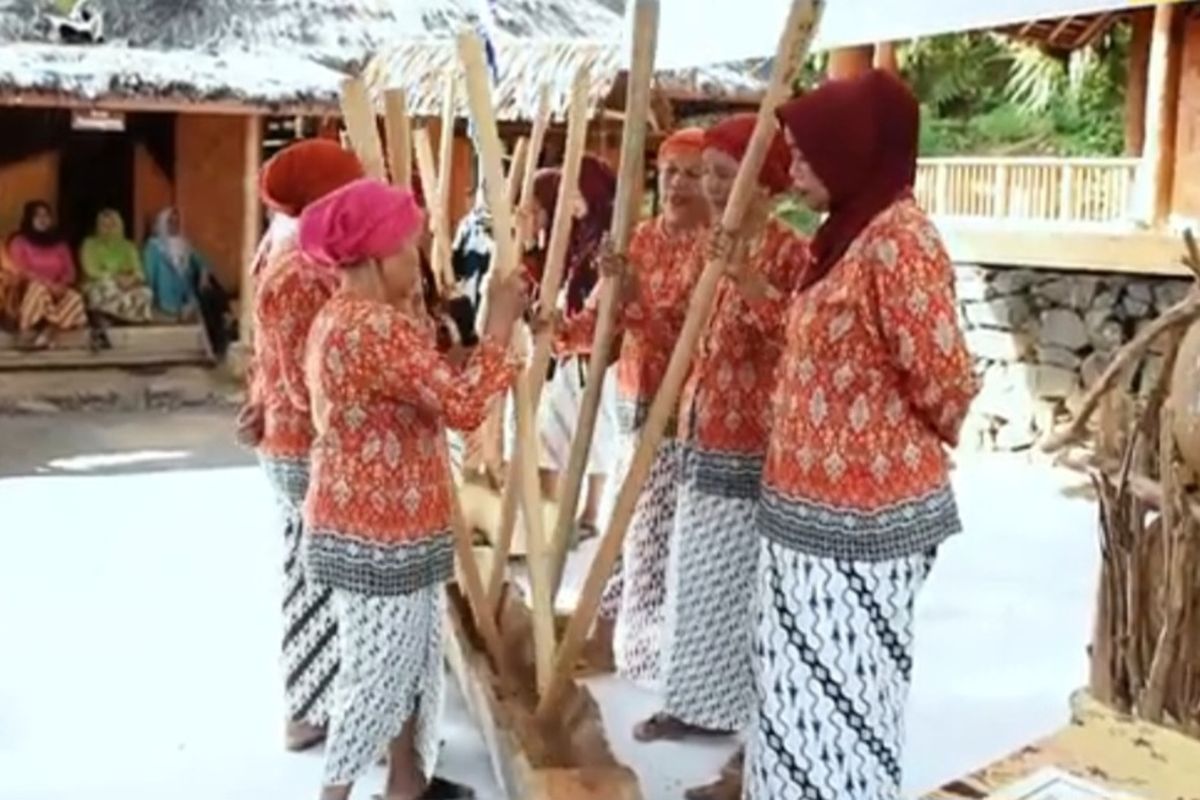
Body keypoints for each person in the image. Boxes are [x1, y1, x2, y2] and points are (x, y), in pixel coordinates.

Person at [745, 70, 978, 800]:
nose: (795, 169)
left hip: (863, 530)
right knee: (794, 702)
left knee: (840, 711)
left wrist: (867, 443)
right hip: (805, 522)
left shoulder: (899, 242)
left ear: (854, 151)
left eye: (811, 153)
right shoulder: (843, 235)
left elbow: (945, 380)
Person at [299, 178, 524, 800]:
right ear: (372, 257)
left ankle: (406, 785)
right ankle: (336, 793)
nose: (416, 262)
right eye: (408, 249)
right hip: (380, 534)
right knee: (376, 680)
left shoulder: (344, 318)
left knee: (413, 665)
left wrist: (454, 337)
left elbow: (419, 382)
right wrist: (500, 327)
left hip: (383, 523)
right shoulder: (372, 327)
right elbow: (463, 404)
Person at [637, 114, 809, 759]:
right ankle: (688, 699)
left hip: (751, 438)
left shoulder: (790, 251)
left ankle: (720, 708)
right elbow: (673, 327)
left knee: (731, 576)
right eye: (704, 174)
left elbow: (799, 335)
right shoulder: (711, 243)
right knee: (693, 570)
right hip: (698, 428)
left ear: (764, 185)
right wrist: (627, 293)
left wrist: (745, 279)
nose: (708, 187)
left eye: (722, 176)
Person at [555, 128, 710, 686]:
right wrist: (558, 330)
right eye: (671, 171)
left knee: (652, 538)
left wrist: (636, 298)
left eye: (694, 173)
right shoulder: (641, 239)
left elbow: (687, 337)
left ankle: (645, 660)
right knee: (623, 530)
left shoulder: (713, 252)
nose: (679, 184)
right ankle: (607, 635)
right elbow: (604, 318)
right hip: (631, 405)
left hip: (680, 415)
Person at [242, 138, 366, 754]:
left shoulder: (294, 253)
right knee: (317, 576)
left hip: (294, 439)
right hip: (306, 444)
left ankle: (323, 701)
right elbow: (301, 378)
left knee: (312, 569)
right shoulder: (299, 271)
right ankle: (313, 708)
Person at [512, 155, 620, 538]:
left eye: (574, 191)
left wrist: (565, 334)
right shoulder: (580, 238)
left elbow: (605, 307)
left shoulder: (610, 243)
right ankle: (555, 520)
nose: (568, 200)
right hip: (574, 351)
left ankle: (581, 519)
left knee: (590, 438)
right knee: (556, 436)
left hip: (598, 358)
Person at [143, 207, 232, 355]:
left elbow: (202, 261)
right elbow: (150, 272)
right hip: (165, 292)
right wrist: (151, 296)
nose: (173, 225)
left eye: (176, 222)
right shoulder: (154, 246)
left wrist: (203, 274)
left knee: (206, 300)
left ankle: (217, 343)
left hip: (186, 289)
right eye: (170, 222)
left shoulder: (184, 243)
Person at [2, 201, 86, 348]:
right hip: (27, 290)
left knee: (74, 297)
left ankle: (48, 330)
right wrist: (48, 285)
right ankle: (29, 331)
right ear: (29, 218)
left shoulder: (60, 243)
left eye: (46, 215)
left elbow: (70, 271)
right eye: (37, 216)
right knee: (38, 291)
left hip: (57, 289)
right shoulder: (19, 241)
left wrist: (62, 285)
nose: (43, 219)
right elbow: (20, 270)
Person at [81, 208, 154, 324]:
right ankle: (110, 316)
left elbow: (139, 272)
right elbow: (91, 270)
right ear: (98, 227)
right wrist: (115, 278)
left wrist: (131, 280)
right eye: (104, 225)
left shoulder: (128, 246)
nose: (108, 229)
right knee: (107, 287)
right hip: (100, 283)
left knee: (146, 293)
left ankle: (122, 318)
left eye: (112, 225)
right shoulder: (90, 244)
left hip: (126, 285)